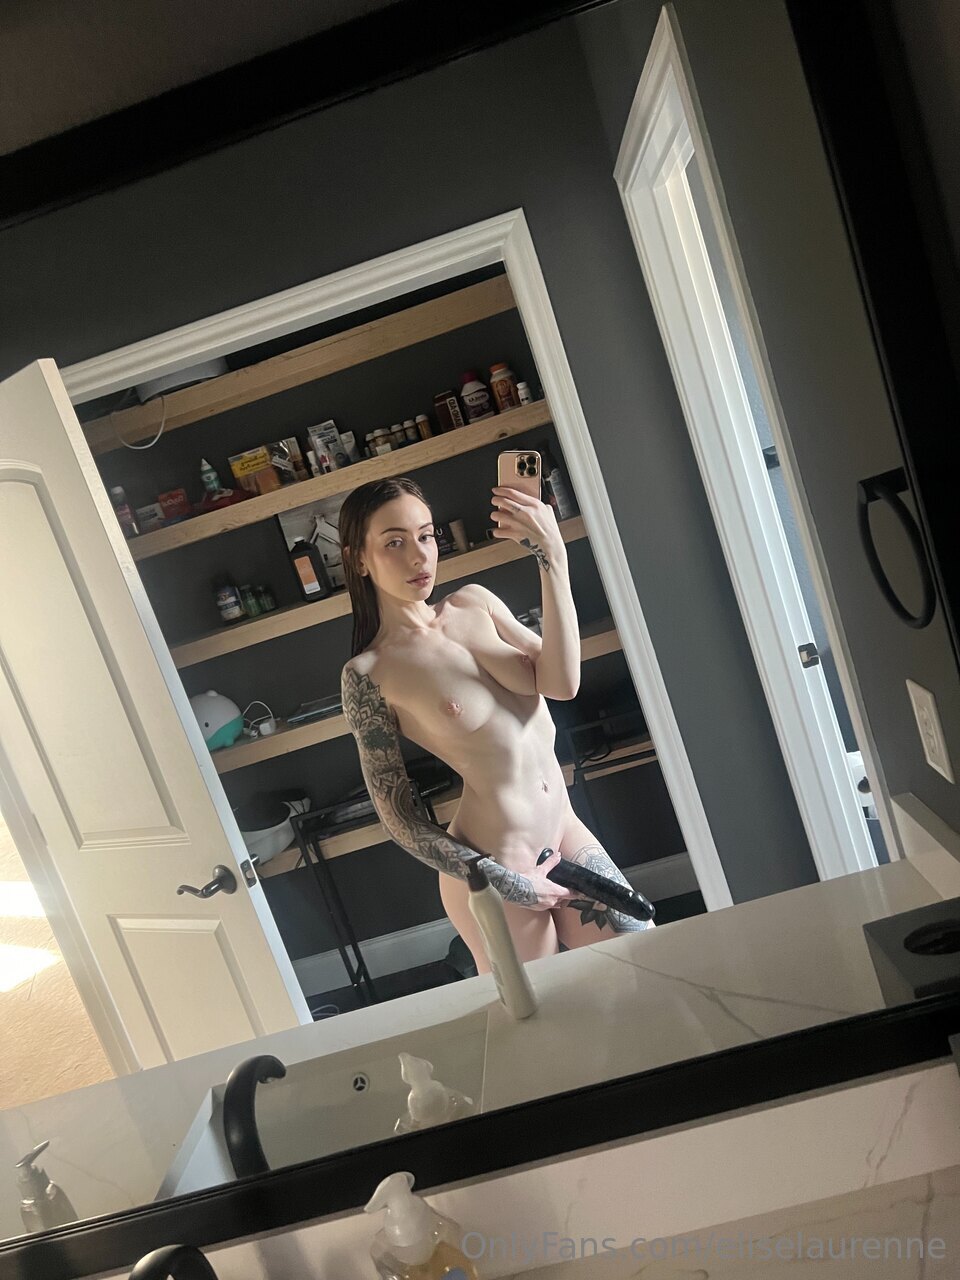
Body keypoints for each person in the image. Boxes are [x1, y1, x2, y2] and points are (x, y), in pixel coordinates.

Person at [339, 475, 654, 975]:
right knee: (542, 1013)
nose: (419, 556)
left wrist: (553, 557)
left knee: (645, 961)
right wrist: (508, 882)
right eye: (394, 543)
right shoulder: (368, 675)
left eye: (425, 536)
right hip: (496, 864)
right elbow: (399, 819)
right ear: (358, 559)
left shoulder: (475, 603)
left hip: (564, 831)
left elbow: (562, 682)